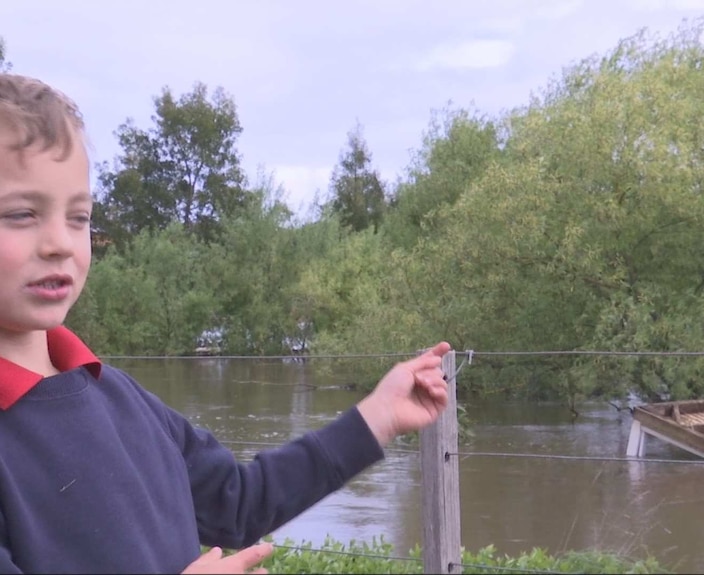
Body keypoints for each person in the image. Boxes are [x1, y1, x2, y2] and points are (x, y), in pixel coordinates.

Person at [0, 73, 451, 574]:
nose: (60, 242)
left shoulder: (120, 399)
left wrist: (378, 416)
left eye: (79, 217)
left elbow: (238, 505)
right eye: (21, 214)